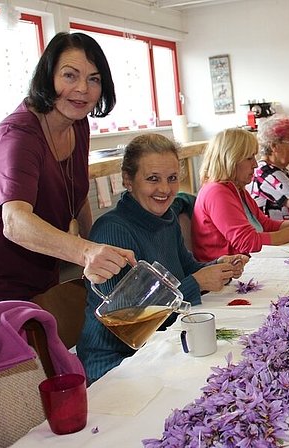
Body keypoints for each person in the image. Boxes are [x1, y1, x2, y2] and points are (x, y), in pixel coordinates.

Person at [77, 133, 247, 383]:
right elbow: (130, 318)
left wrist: (218, 267)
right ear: (128, 180)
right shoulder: (113, 230)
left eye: (172, 178)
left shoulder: (166, 219)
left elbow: (187, 269)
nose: (165, 189)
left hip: (160, 340)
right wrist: (197, 283)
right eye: (152, 179)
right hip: (117, 360)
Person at [0, 32, 134, 305]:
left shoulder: (77, 123)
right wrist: (87, 252)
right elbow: (14, 222)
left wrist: (101, 249)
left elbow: (78, 194)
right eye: (70, 75)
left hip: (43, 269)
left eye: (93, 79)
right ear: (48, 77)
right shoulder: (19, 135)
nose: (83, 89)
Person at [192, 127, 289, 262]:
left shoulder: (237, 189)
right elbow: (247, 243)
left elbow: (264, 225)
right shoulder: (216, 192)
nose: (255, 164)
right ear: (230, 161)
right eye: (249, 158)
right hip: (226, 271)